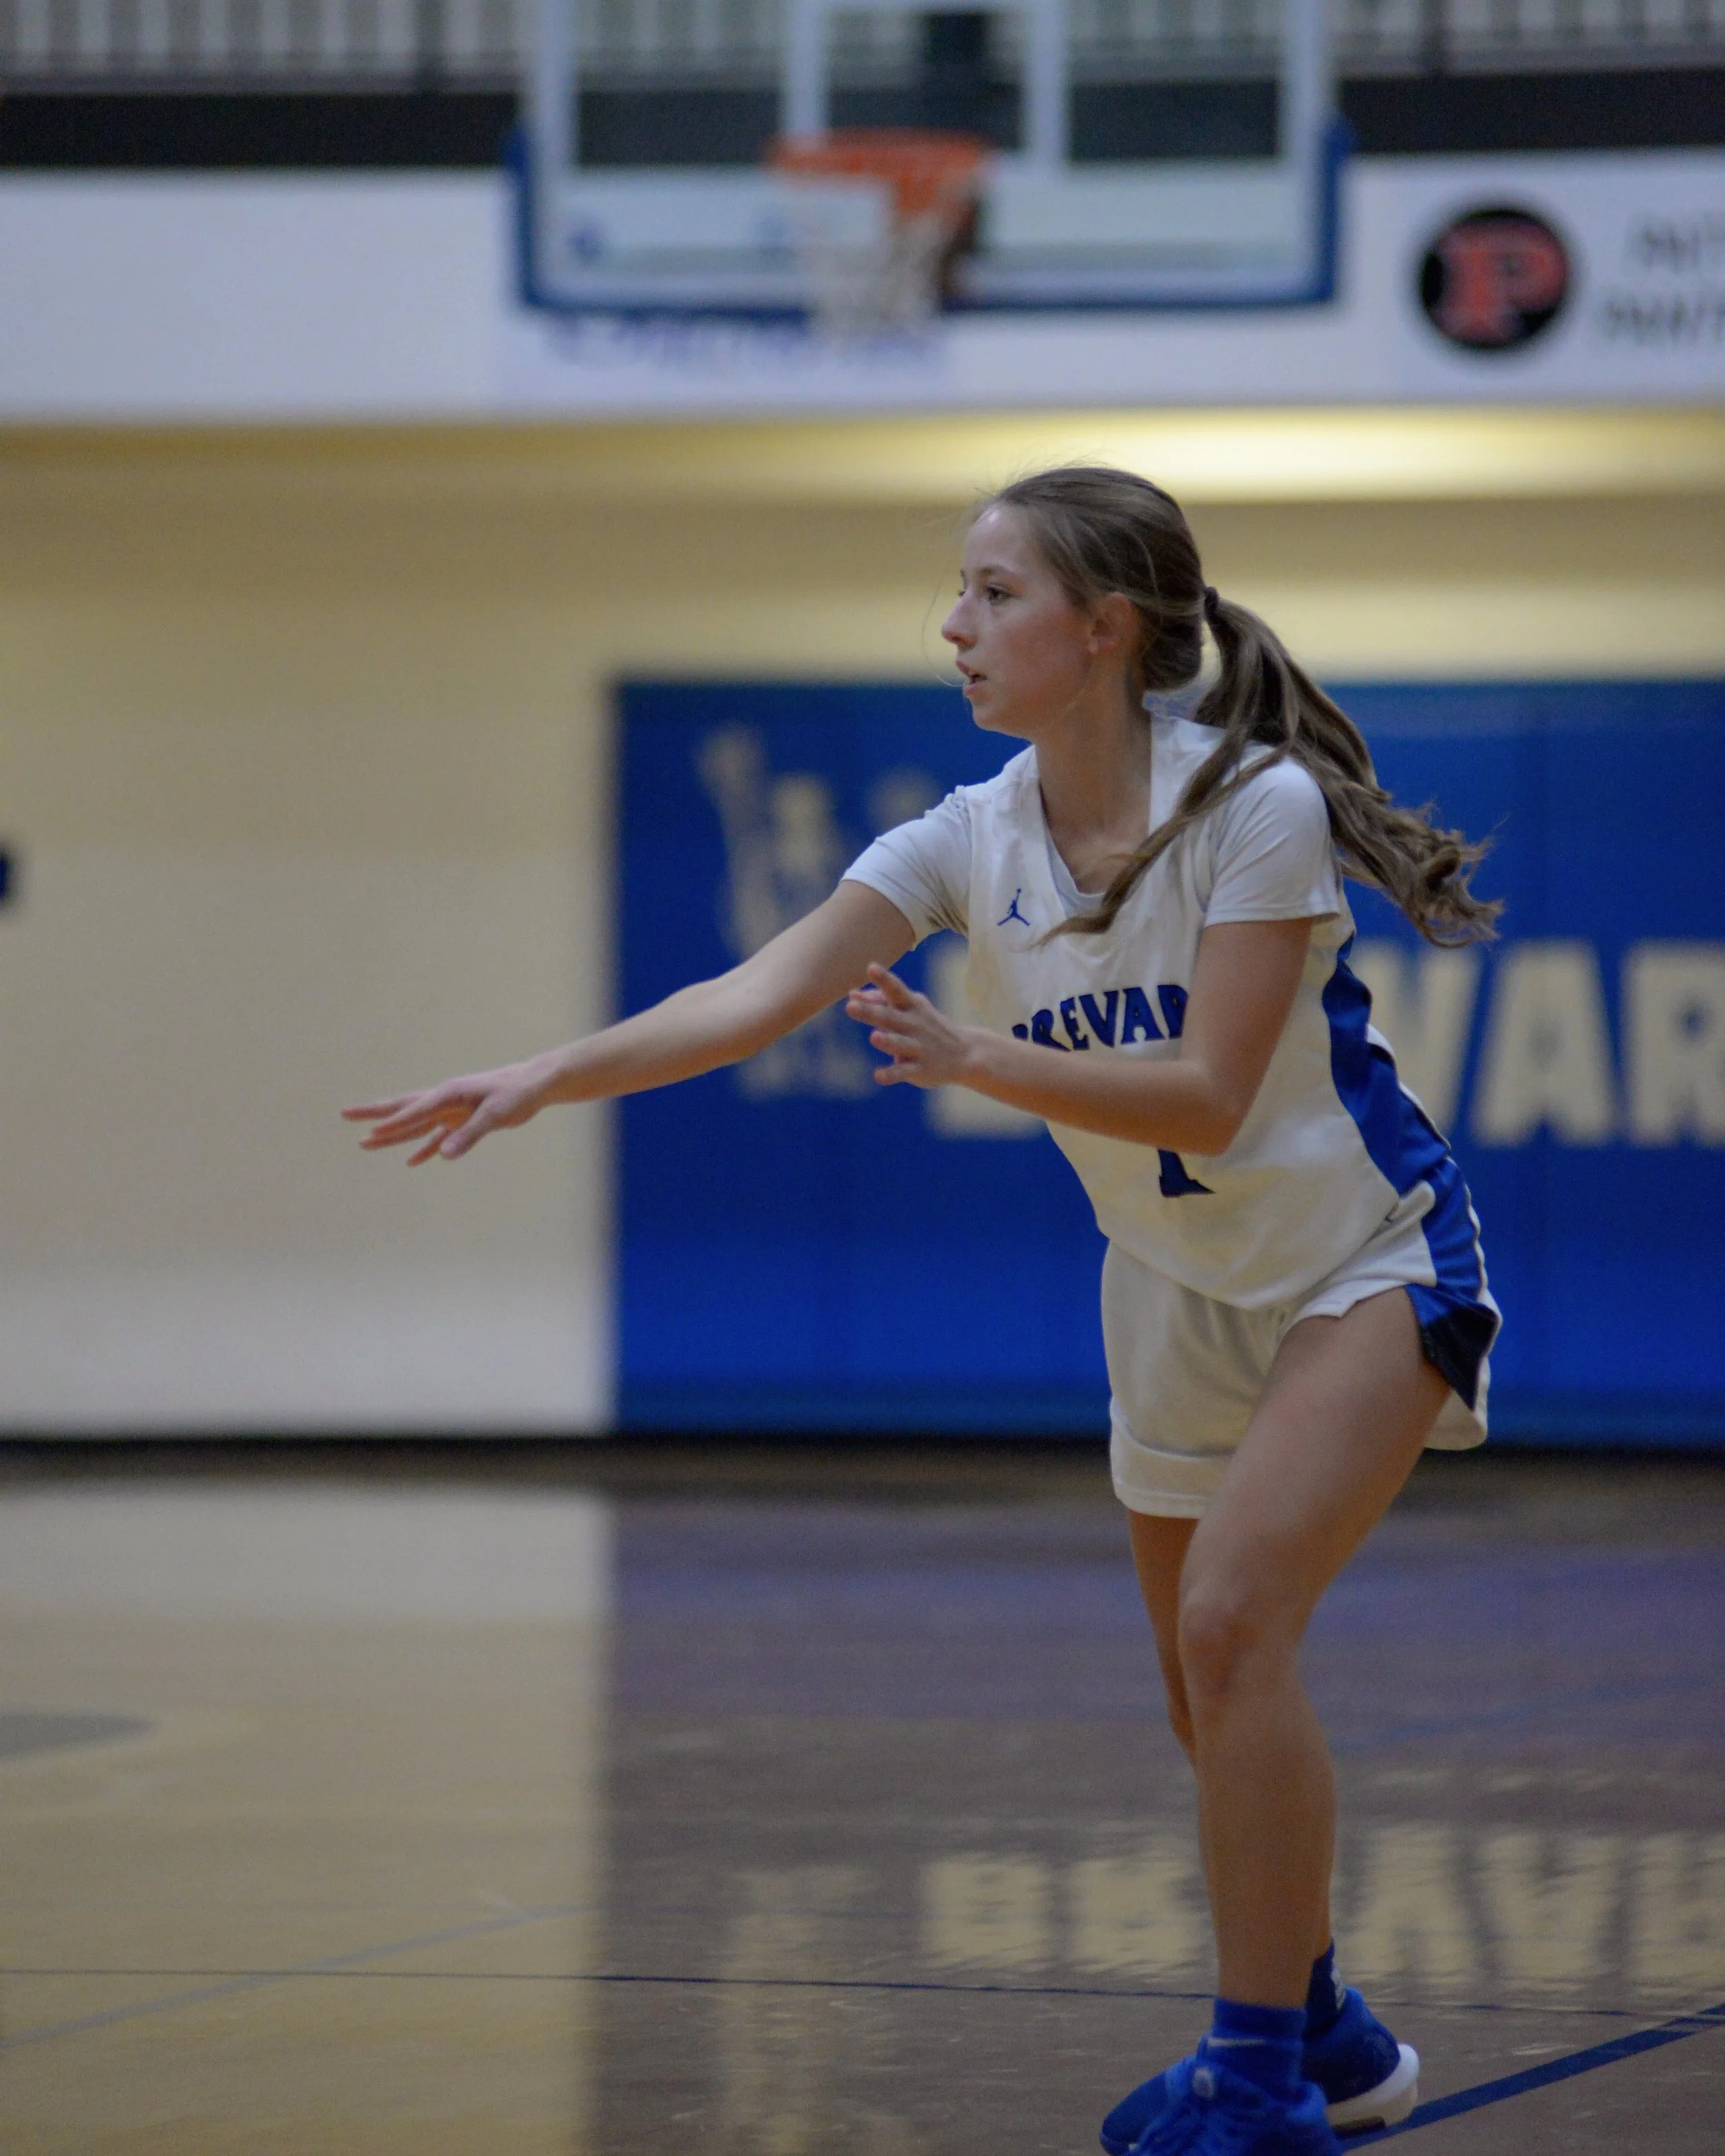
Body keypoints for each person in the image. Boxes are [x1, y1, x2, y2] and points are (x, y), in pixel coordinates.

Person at [345, 466, 1501, 2156]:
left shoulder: (1247, 805)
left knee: (1229, 1630)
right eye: (959, 591)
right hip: (1169, 1284)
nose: (952, 624)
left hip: (1361, 1258)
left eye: (992, 592)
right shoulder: (966, 835)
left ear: (1101, 628)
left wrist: (975, 1056)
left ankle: (1254, 2080)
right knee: (1197, 1692)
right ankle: (1320, 2023)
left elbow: (1206, 1092)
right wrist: (545, 1073)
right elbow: (757, 989)